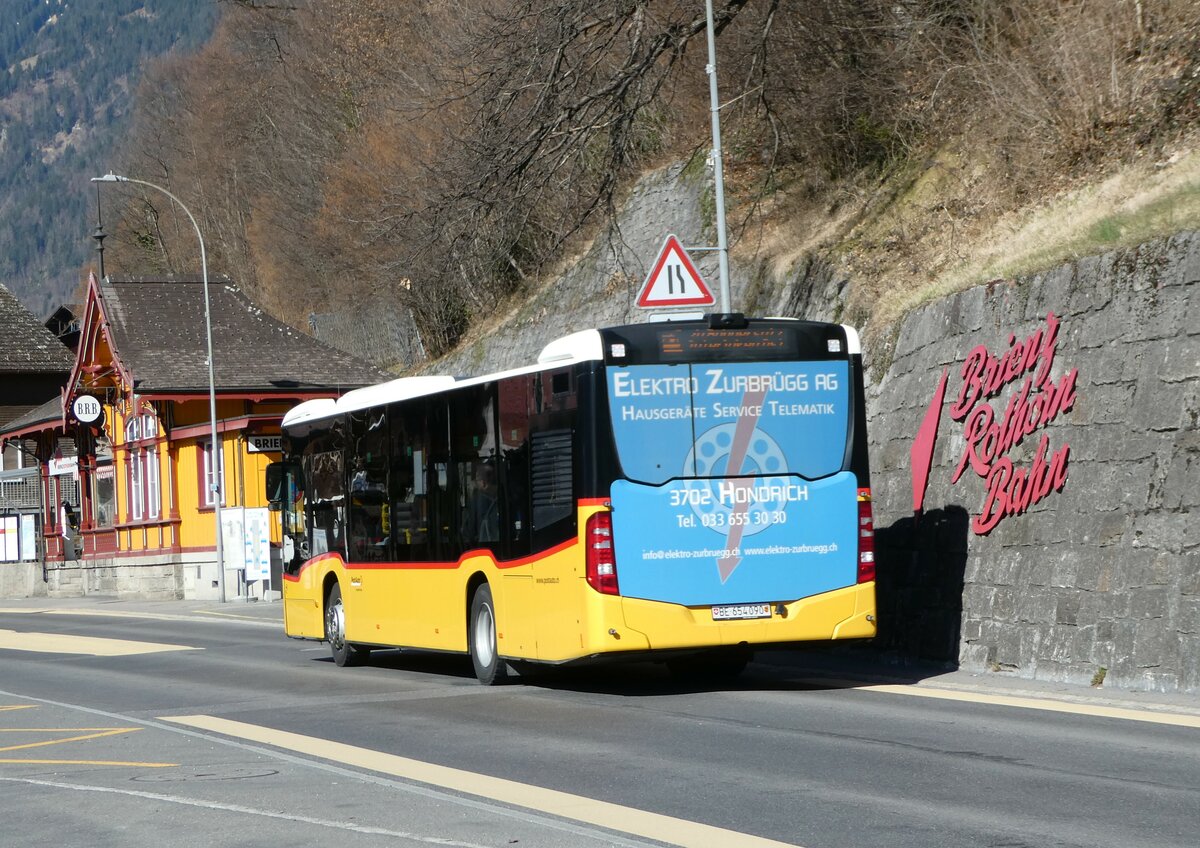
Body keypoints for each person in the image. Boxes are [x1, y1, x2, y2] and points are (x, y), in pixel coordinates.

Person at [462, 464, 499, 544]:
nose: (475, 483)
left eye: (477, 480)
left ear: (483, 483)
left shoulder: (477, 499)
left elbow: (470, 529)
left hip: (483, 545)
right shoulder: (504, 496)